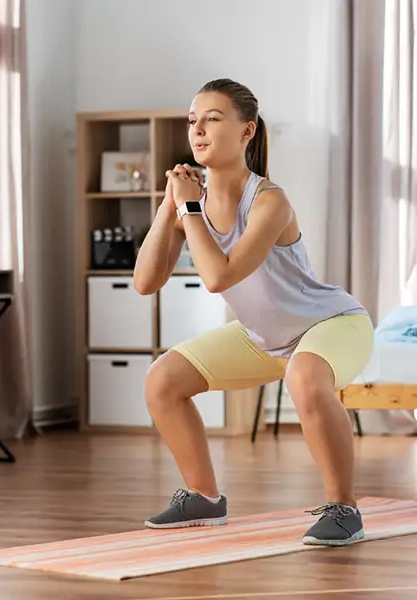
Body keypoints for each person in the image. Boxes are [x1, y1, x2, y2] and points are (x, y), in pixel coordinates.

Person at [132, 78, 374, 546]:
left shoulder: (270, 201)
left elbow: (219, 277)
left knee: (304, 376)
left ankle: (345, 509)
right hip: (264, 336)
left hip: (330, 324)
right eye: (192, 121)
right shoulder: (192, 205)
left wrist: (189, 209)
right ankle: (203, 497)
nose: (198, 130)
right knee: (162, 380)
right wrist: (169, 210)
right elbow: (145, 282)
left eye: (213, 119)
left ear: (247, 131)